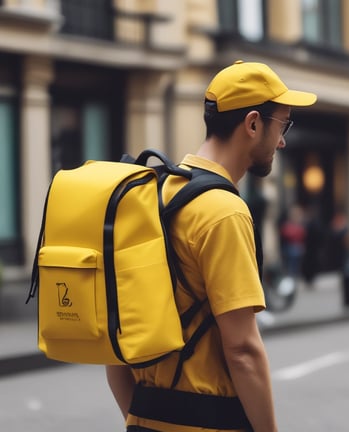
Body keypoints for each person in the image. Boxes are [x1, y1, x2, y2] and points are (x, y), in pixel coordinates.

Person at [106, 60, 317, 432]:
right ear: (253, 124)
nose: (282, 140)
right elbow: (243, 350)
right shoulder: (224, 212)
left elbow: (117, 337)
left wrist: (140, 417)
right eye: (282, 125)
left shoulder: (148, 195)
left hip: (144, 416)